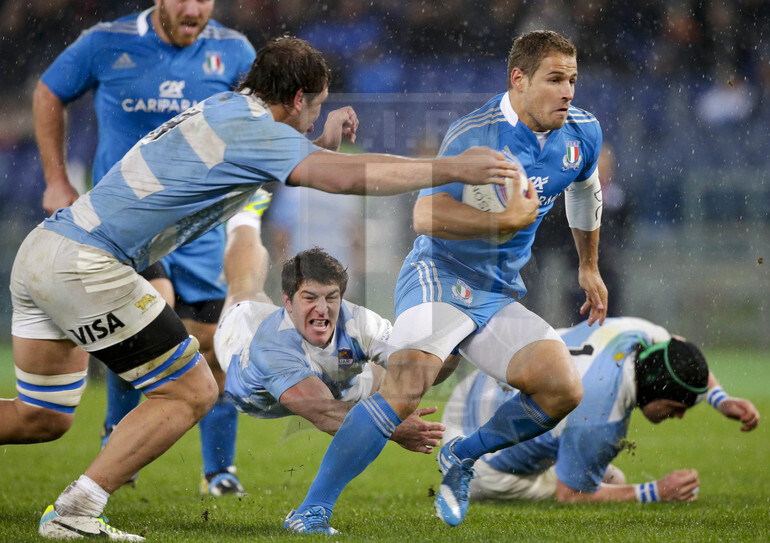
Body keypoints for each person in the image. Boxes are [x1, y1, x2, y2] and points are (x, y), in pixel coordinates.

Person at [6, 36, 518, 541]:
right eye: (315, 108)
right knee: (192, 391)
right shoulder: (253, 129)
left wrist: (318, 146)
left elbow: (265, 162)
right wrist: (451, 168)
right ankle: (76, 510)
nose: (315, 119)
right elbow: (339, 180)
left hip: (46, 247)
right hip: (88, 264)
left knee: (41, 417)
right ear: (298, 99)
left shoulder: (227, 110)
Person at [285, 30, 607, 533]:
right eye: (555, 80)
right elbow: (425, 213)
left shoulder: (582, 133)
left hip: (499, 292)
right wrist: (504, 223)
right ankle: (311, 510)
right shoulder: (475, 134)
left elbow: (585, 191)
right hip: (442, 275)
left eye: (572, 80)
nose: (567, 92)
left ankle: (461, 454)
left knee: (562, 388)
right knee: (408, 383)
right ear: (519, 80)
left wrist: (588, 265)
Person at [32, 0, 257, 496]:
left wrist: (248, 207)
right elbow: (49, 91)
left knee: (213, 344)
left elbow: (259, 126)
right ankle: (119, 437)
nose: (194, 7)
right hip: (127, 224)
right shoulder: (106, 42)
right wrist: (56, 178)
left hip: (200, 227)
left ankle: (219, 470)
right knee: (147, 320)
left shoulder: (234, 52)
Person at [441, 317, 760, 503]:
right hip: (481, 461)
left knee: (596, 468)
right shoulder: (601, 419)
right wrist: (655, 491)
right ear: (657, 390)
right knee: (613, 478)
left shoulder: (633, 334)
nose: (679, 416)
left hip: (473, 389)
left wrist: (720, 399)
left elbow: (680, 347)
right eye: (677, 407)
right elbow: (571, 494)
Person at [214, 220, 447, 453]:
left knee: (385, 370)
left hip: (341, 385)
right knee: (246, 288)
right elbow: (325, 412)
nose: (322, 308)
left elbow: (420, 367)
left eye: (331, 297)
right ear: (288, 301)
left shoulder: (360, 322)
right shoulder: (270, 347)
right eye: (310, 298)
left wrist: (454, 337)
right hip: (246, 371)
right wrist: (396, 427)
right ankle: (245, 217)